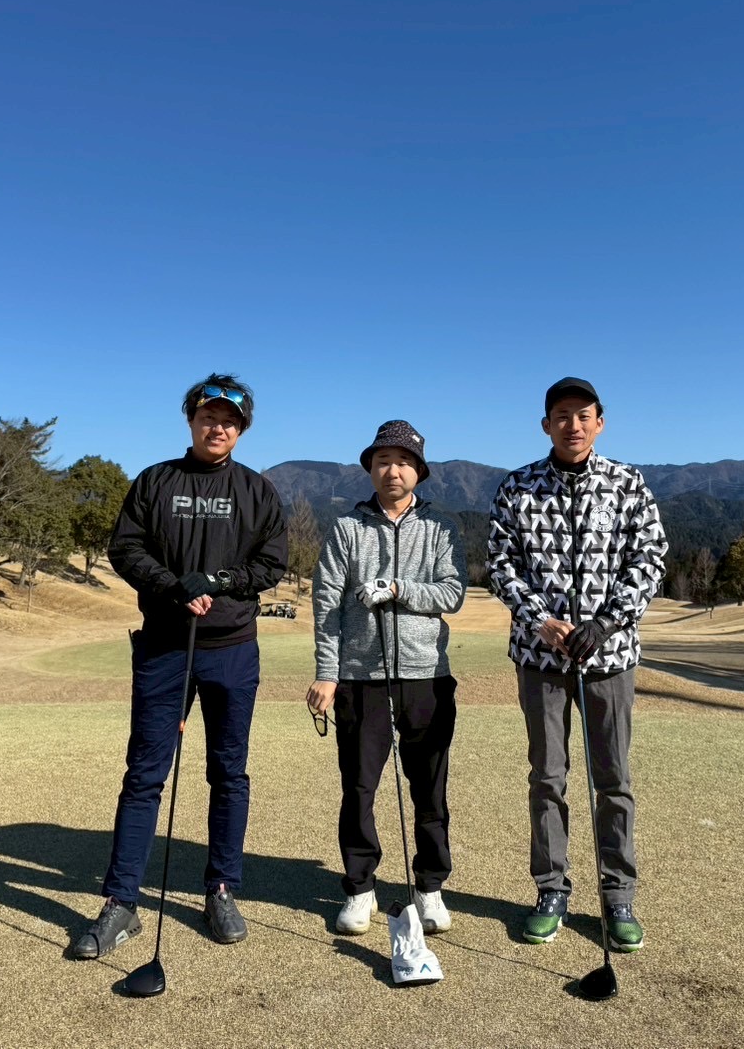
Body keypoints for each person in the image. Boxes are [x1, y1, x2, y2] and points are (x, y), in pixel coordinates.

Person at [68, 373, 287, 958]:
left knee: (229, 773)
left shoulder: (258, 491)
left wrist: (219, 581)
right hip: (165, 647)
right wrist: (172, 586)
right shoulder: (155, 480)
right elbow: (125, 548)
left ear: (241, 430)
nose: (218, 427)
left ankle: (221, 889)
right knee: (144, 776)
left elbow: (271, 563)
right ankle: (121, 902)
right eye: (208, 416)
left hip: (233, 650)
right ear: (191, 420)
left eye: (229, 421)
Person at [487, 377, 667, 951]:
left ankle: (618, 895)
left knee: (613, 779)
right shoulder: (518, 487)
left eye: (583, 415)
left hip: (609, 658)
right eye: (562, 416)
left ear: (600, 422)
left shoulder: (627, 484)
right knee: (548, 777)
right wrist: (540, 619)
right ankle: (551, 890)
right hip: (540, 657)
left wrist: (607, 622)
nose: (573, 425)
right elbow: (500, 565)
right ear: (546, 425)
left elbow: (650, 558)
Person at [307, 420, 466, 937]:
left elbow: (452, 593)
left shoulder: (440, 528)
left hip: (426, 674)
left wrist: (398, 588)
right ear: (370, 469)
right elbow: (327, 604)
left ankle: (430, 886)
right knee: (359, 787)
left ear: (418, 471)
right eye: (382, 461)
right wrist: (327, 673)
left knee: (430, 788)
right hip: (360, 676)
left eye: (403, 462)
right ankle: (359, 888)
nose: (392, 471)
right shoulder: (347, 528)